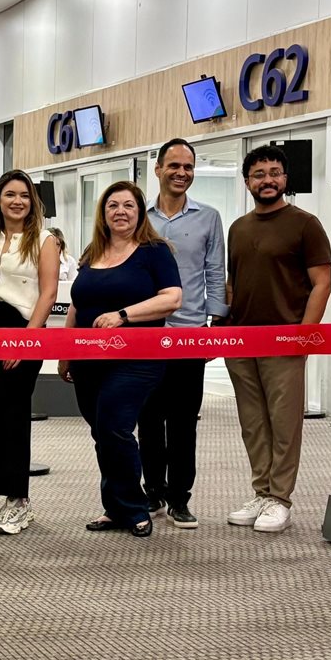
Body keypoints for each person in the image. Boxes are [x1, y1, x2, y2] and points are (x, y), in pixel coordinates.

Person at [57, 181, 181, 538]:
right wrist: (66, 353)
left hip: (137, 359)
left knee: (114, 424)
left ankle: (134, 507)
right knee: (102, 432)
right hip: (88, 360)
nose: (121, 211)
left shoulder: (154, 252)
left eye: (129, 205)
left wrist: (123, 315)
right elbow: (77, 306)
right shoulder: (91, 252)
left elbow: (173, 298)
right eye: (113, 205)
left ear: (140, 212)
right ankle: (115, 506)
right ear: (104, 213)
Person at [224, 145, 331, 534]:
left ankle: (280, 499)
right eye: (258, 174)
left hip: (285, 339)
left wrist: (304, 337)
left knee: (284, 424)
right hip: (241, 342)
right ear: (247, 181)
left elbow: (322, 283)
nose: (267, 180)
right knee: (253, 424)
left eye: (274, 173)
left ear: (286, 179)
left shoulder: (306, 224)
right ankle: (262, 491)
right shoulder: (237, 228)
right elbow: (233, 285)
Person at [136, 139, 228, 529]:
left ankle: (180, 498)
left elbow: (214, 272)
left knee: (184, 420)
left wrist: (216, 321)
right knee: (148, 418)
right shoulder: (139, 216)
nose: (181, 173)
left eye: (188, 167)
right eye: (173, 165)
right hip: (145, 334)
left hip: (189, 332)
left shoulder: (209, 217)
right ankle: (152, 490)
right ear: (157, 169)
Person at [0, 170, 59, 535]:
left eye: (24, 195)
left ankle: (19, 501)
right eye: (10, 194)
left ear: (32, 202)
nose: (18, 201)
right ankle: (2, 492)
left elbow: (48, 294)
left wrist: (25, 342)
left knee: (13, 417)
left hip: (21, 329)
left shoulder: (44, 239)